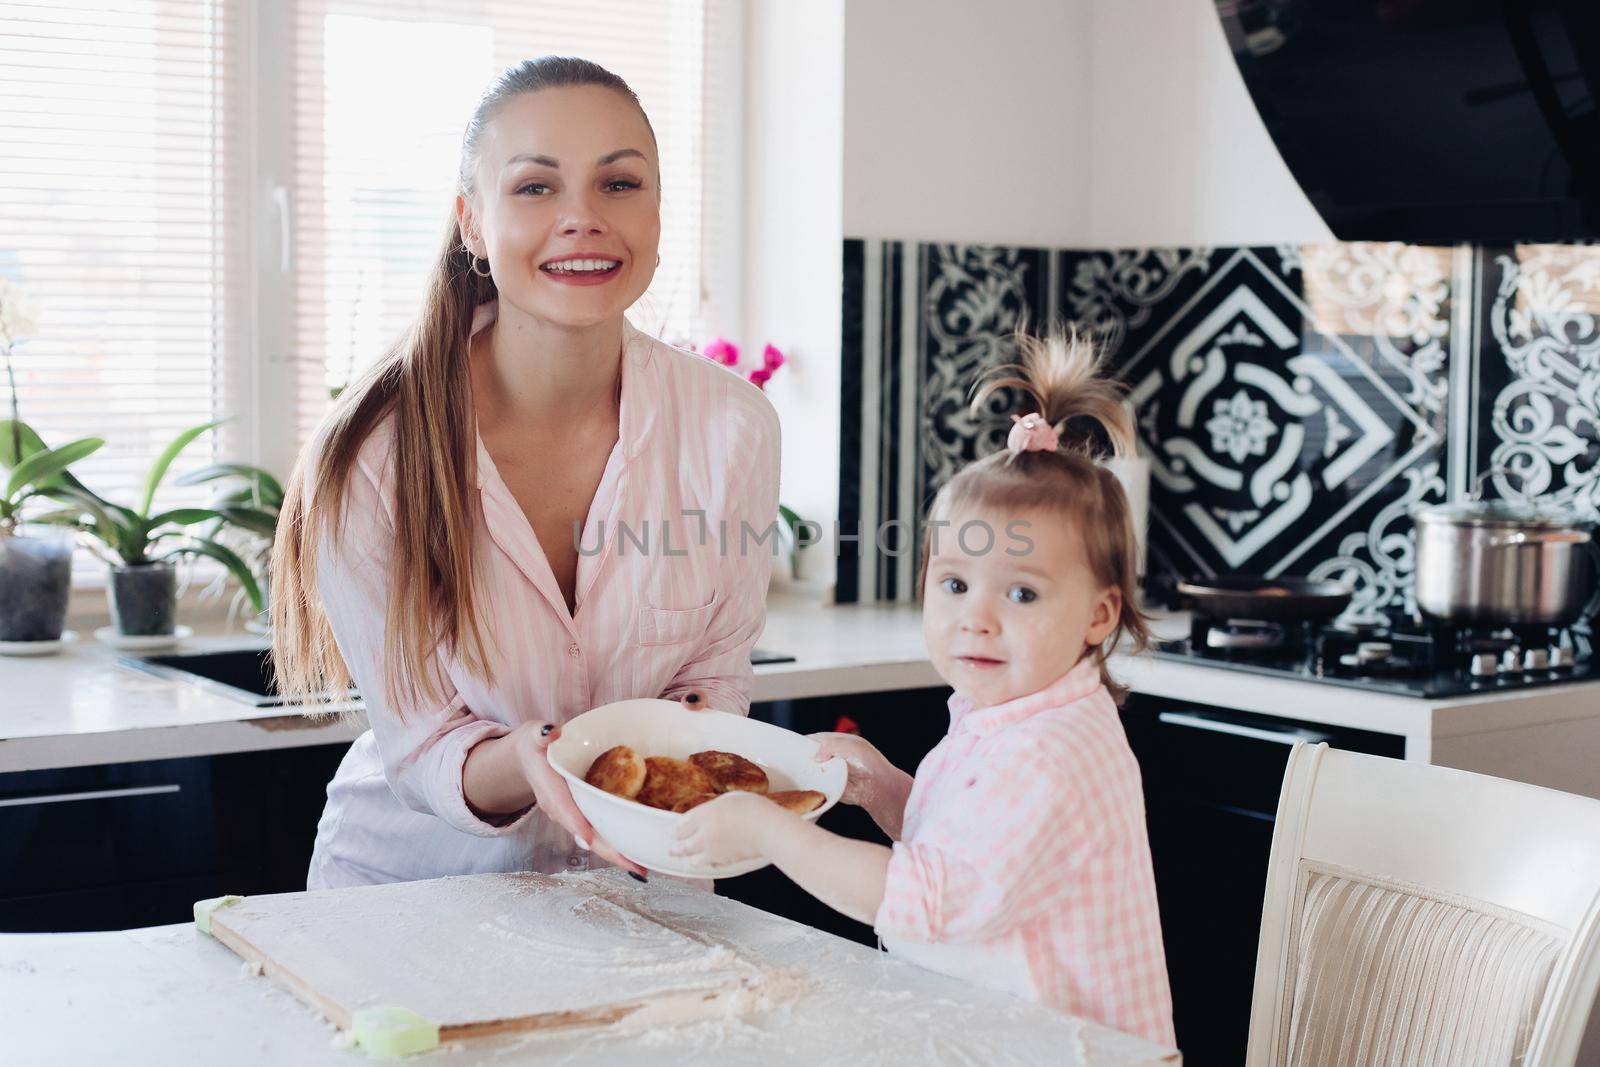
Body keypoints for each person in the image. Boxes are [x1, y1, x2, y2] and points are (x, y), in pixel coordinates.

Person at [270, 56, 780, 890]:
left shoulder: (733, 428)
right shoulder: (371, 453)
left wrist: (679, 750)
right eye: (536, 188)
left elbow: (716, 674)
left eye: (619, 184)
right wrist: (531, 760)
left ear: (657, 210)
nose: (581, 218)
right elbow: (423, 747)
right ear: (472, 223)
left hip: (644, 898)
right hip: (411, 902)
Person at [671, 326, 1174, 1047]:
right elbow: (968, 855)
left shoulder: (1049, 755)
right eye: (957, 584)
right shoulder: (1005, 715)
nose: (979, 619)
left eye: (1023, 594)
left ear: (1099, 615)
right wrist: (883, 787)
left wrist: (769, 831)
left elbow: (929, 901)